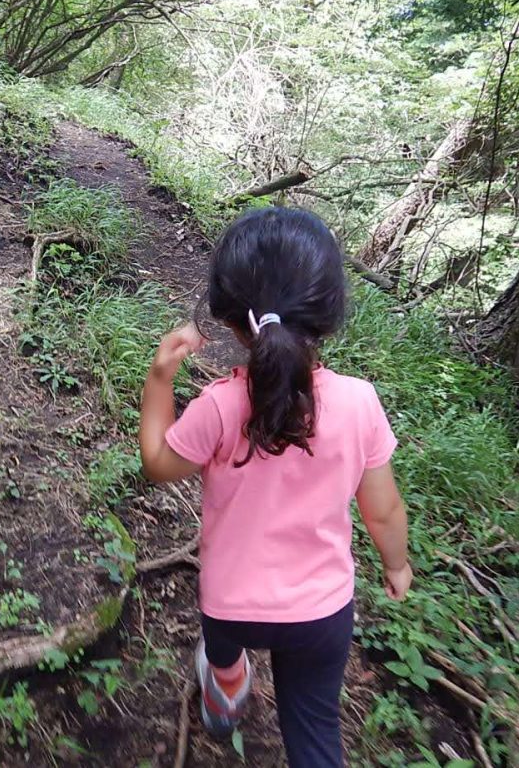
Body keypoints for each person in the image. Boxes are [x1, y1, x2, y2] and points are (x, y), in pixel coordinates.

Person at [138, 207, 412, 768]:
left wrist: (160, 378)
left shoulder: (219, 404)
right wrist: (397, 565)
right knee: (314, 728)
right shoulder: (360, 403)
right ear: (327, 311)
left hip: (231, 607)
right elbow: (382, 511)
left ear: (233, 321)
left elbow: (159, 465)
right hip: (321, 615)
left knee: (222, 647)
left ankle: (228, 685)